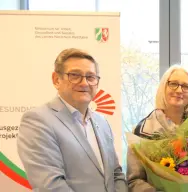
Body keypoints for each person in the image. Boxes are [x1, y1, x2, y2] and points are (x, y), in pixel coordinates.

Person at [17, 48, 128, 192]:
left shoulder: (102, 122)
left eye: (91, 77)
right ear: (56, 80)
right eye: (75, 75)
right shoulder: (38, 121)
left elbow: (116, 175)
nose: (84, 83)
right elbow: (50, 186)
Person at [127, 65, 188, 192]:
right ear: (163, 87)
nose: (179, 90)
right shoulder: (142, 131)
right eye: (173, 84)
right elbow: (134, 180)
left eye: (185, 86)